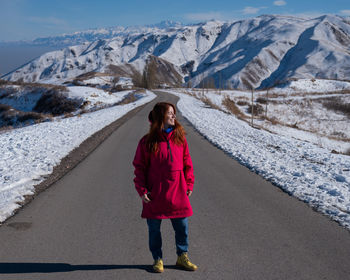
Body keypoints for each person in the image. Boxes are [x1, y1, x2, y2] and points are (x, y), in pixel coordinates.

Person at [132, 102, 198, 273]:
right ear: (161, 116)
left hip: (178, 192)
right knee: (154, 230)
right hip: (155, 194)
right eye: (170, 113)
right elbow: (139, 169)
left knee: (182, 228)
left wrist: (189, 183)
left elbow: (187, 164)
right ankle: (157, 259)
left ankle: (182, 256)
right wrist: (142, 190)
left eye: (173, 113)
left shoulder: (180, 138)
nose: (173, 116)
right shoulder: (146, 142)